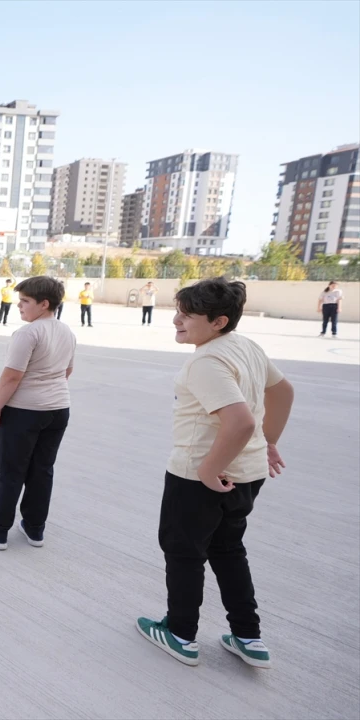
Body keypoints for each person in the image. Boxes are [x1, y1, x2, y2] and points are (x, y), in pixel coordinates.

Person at [136, 278, 295, 671]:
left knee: (184, 553)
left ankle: (181, 634)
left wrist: (207, 468)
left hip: (199, 477)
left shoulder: (206, 360)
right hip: (248, 472)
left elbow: (239, 422)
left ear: (219, 321)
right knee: (228, 550)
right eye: (178, 312)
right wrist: (269, 440)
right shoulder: (246, 346)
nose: (176, 320)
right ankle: (248, 636)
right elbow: (284, 392)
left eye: (187, 316)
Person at [0, 276, 75, 551]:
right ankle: (34, 528)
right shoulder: (66, 331)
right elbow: (67, 371)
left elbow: (12, 377)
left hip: (24, 412)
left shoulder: (28, 333)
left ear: (44, 304)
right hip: (58, 409)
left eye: (25, 301)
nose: (19, 306)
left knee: (11, 472)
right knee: (43, 470)